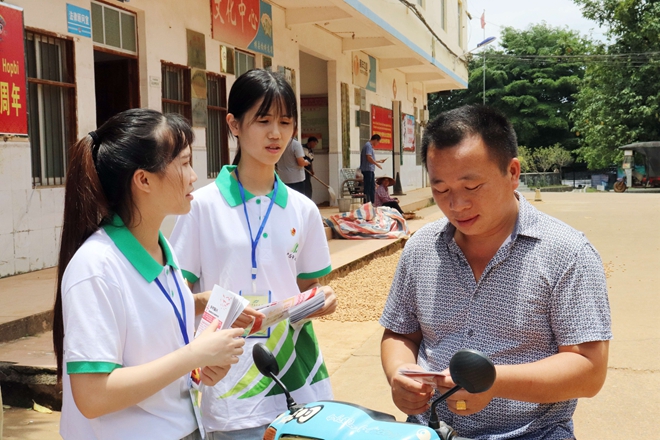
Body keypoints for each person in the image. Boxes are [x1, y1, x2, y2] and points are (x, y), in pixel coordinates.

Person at [379, 105, 611, 439]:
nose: (456, 205)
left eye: (471, 186)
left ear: (513, 172)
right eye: (441, 189)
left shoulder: (567, 253)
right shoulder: (421, 248)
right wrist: (400, 374)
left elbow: (588, 370)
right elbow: (401, 333)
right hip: (428, 431)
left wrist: (493, 382)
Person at [53, 109, 250, 440]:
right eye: (184, 163)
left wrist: (202, 318)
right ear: (143, 180)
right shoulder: (96, 268)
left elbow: (146, 323)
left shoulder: (160, 246)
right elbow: (92, 396)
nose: (193, 176)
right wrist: (195, 354)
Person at [170, 69, 337, 440]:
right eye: (263, 121)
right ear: (234, 124)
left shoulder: (304, 209)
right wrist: (210, 301)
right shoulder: (201, 206)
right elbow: (173, 297)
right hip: (229, 384)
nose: (275, 133)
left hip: (296, 378)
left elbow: (308, 287)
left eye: (285, 122)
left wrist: (321, 299)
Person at [359, 134, 387, 203]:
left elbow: (371, 159)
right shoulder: (368, 146)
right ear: (376, 140)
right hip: (367, 170)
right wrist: (377, 164)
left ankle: (372, 202)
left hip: (370, 170)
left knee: (372, 187)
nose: (378, 144)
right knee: (368, 188)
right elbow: (368, 158)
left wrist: (379, 161)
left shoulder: (370, 146)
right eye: (378, 142)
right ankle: (367, 202)